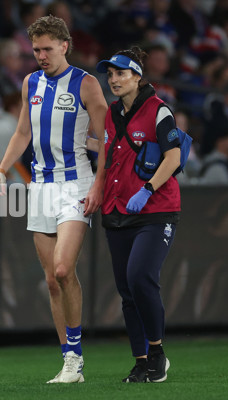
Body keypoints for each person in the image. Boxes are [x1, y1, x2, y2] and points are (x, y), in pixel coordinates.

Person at [0, 15, 108, 384]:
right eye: (35, 49)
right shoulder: (31, 82)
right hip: (40, 188)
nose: (40, 55)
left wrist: (98, 185)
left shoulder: (86, 85)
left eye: (46, 48)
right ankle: (70, 358)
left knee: (62, 268)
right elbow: (23, 131)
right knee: (52, 281)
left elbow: (106, 140)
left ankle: (75, 357)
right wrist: (0, 170)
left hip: (75, 186)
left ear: (64, 46)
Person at [95, 46, 181, 383]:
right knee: (127, 291)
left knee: (140, 277)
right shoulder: (110, 114)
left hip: (155, 209)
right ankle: (141, 360)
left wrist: (147, 189)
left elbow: (173, 158)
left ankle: (157, 353)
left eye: (121, 73)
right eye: (111, 74)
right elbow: (107, 157)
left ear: (137, 77)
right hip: (116, 210)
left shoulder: (159, 111)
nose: (114, 79)